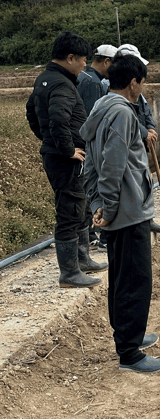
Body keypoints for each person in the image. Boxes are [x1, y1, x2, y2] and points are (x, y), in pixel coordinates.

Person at [80, 53, 160, 374]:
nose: (143, 90)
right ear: (133, 83)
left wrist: (97, 204)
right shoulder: (123, 115)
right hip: (128, 212)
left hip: (116, 210)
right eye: (142, 84)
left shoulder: (100, 108)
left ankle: (129, 335)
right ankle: (129, 354)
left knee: (120, 278)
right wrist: (110, 207)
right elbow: (113, 166)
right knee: (135, 280)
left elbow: (90, 163)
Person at [25, 31, 106, 289]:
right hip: (65, 159)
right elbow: (58, 119)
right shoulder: (61, 84)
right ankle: (69, 273)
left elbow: (31, 113)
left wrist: (47, 139)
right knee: (70, 211)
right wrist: (66, 149)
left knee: (79, 205)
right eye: (82, 59)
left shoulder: (46, 79)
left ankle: (82, 260)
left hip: (58, 154)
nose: (85, 64)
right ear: (70, 58)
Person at [114, 44, 160, 236]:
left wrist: (151, 128)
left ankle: (147, 218)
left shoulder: (137, 90)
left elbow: (145, 111)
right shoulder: (116, 92)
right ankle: (135, 221)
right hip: (129, 143)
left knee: (146, 179)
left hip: (140, 142)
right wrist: (144, 132)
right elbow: (126, 118)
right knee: (132, 184)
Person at [77, 44, 118, 247]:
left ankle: (90, 235)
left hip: (81, 142)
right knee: (92, 187)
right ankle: (94, 235)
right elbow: (93, 120)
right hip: (88, 144)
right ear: (106, 62)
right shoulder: (93, 83)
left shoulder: (84, 77)